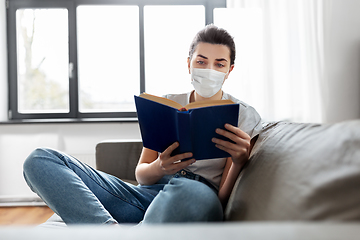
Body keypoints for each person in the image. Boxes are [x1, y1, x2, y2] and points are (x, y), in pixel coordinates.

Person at [23, 24, 262, 225]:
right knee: (39, 159)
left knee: (191, 191)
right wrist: (160, 166)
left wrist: (240, 161)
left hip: (196, 197)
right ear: (188, 64)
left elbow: (221, 201)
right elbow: (142, 174)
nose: (209, 70)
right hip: (144, 197)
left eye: (219, 64)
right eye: (201, 61)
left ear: (229, 70)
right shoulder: (168, 104)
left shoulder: (242, 114)